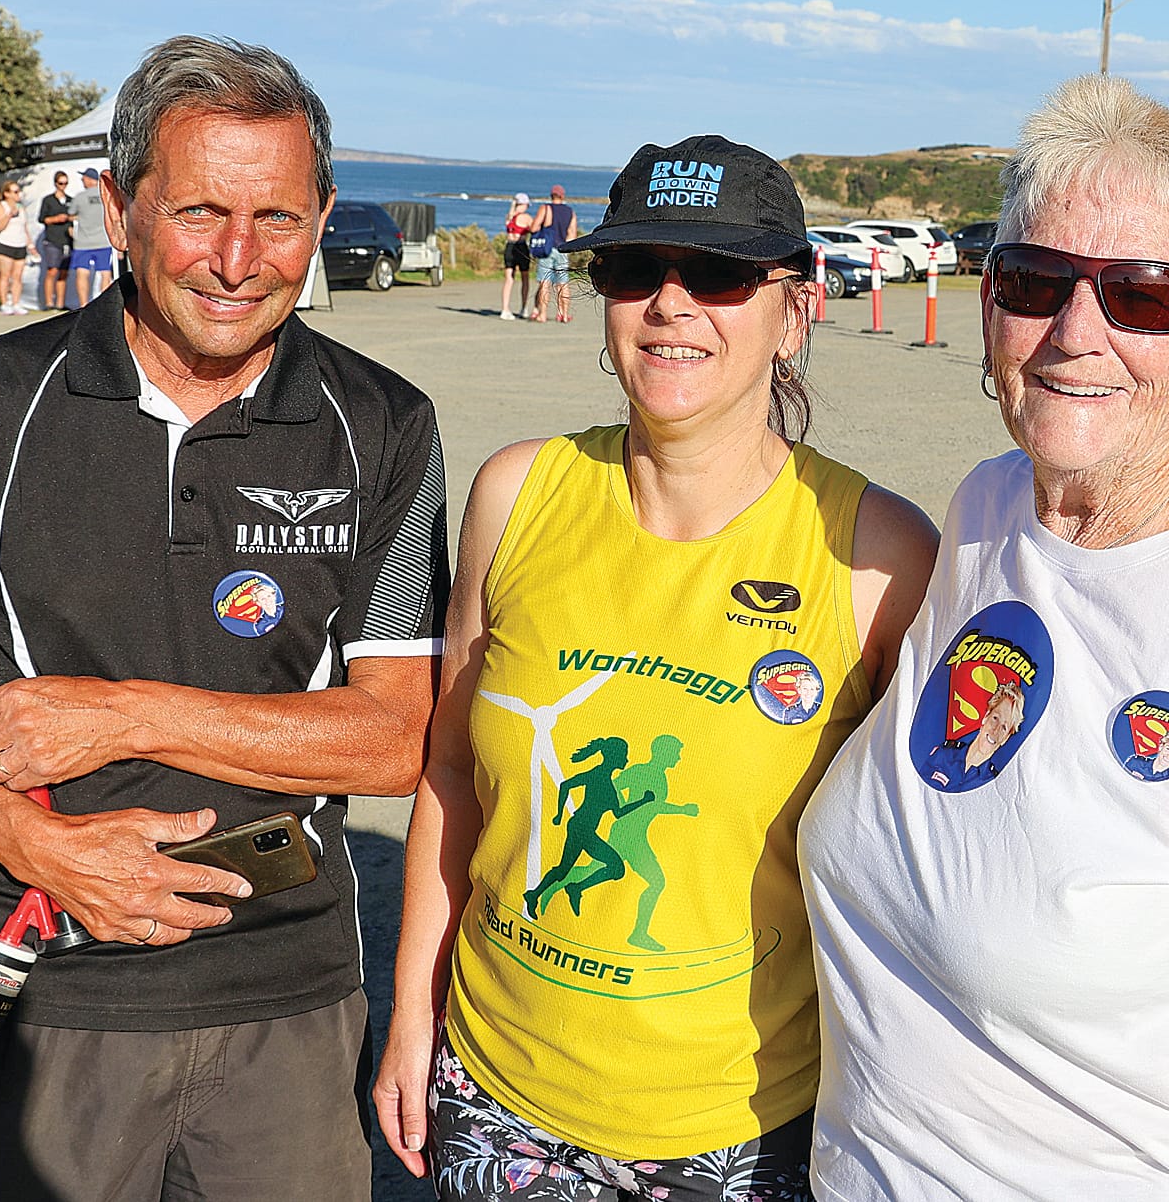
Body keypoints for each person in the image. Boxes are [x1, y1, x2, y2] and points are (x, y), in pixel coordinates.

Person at [800, 74, 1169, 1202]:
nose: (1076, 333)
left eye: (1145, 295)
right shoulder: (986, 511)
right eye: (1033, 282)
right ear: (986, 309)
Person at [0, 34, 451, 1201]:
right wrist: (41, 846)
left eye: (281, 217)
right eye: (200, 211)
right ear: (118, 207)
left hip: (288, 1006)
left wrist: (122, 715)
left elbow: (396, 739)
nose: (240, 259)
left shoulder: (385, 421)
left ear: (324, 215)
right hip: (41, 981)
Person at [373, 134, 937, 1202]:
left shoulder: (877, 555)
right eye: (635, 272)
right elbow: (451, 771)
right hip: (495, 1096)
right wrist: (413, 1011)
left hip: (738, 1129)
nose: (670, 304)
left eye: (718, 275)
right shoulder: (516, 492)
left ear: (794, 310)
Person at [528, 183, 579, 322]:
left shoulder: (546, 208)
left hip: (547, 249)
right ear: (562, 196)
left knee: (545, 282)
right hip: (562, 249)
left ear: (551, 195)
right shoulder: (570, 212)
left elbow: (534, 227)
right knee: (563, 283)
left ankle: (542, 314)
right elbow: (572, 234)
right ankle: (563, 314)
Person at [67, 165, 113, 307]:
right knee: (105, 273)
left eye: (84, 177)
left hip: (83, 243)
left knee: (82, 272)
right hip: (103, 241)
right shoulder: (106, 196)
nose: (82, 179)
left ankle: (83, 305)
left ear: (89, 179)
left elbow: (70, 214)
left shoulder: (80, 197)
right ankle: (105, 306)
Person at [0, 177, 31, 315]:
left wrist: (30, 243)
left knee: (18, 276)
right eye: (14, 192)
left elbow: (25, 227)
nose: (17, 194)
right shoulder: (1, 206)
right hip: (5, 244)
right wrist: (9, 215)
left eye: (18, 192)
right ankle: (4, 304)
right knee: (5, 275)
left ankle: (16, 303)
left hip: (20, 244)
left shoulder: (22, 208)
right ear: (6, 193)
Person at [37, 169, 74, 310]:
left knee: (64, 272)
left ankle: (60, 303)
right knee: (52, 270)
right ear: (55, 183)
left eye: (65, 183)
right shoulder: (48, 200)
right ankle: (48, 303)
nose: (63, 186)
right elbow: (41, 219)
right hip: (52, 240)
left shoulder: (71, 200)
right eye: (60, 183)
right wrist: (56, 219)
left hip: (67, 241)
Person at [500, 192, 534, 320]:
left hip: (509, 246)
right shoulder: (526, 217)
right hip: (520, 247)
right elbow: (535, 229)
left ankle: (505, 308)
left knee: (509, 279)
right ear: (523, 204)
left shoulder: (509, 216)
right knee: (525, 278)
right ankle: (524, 307)